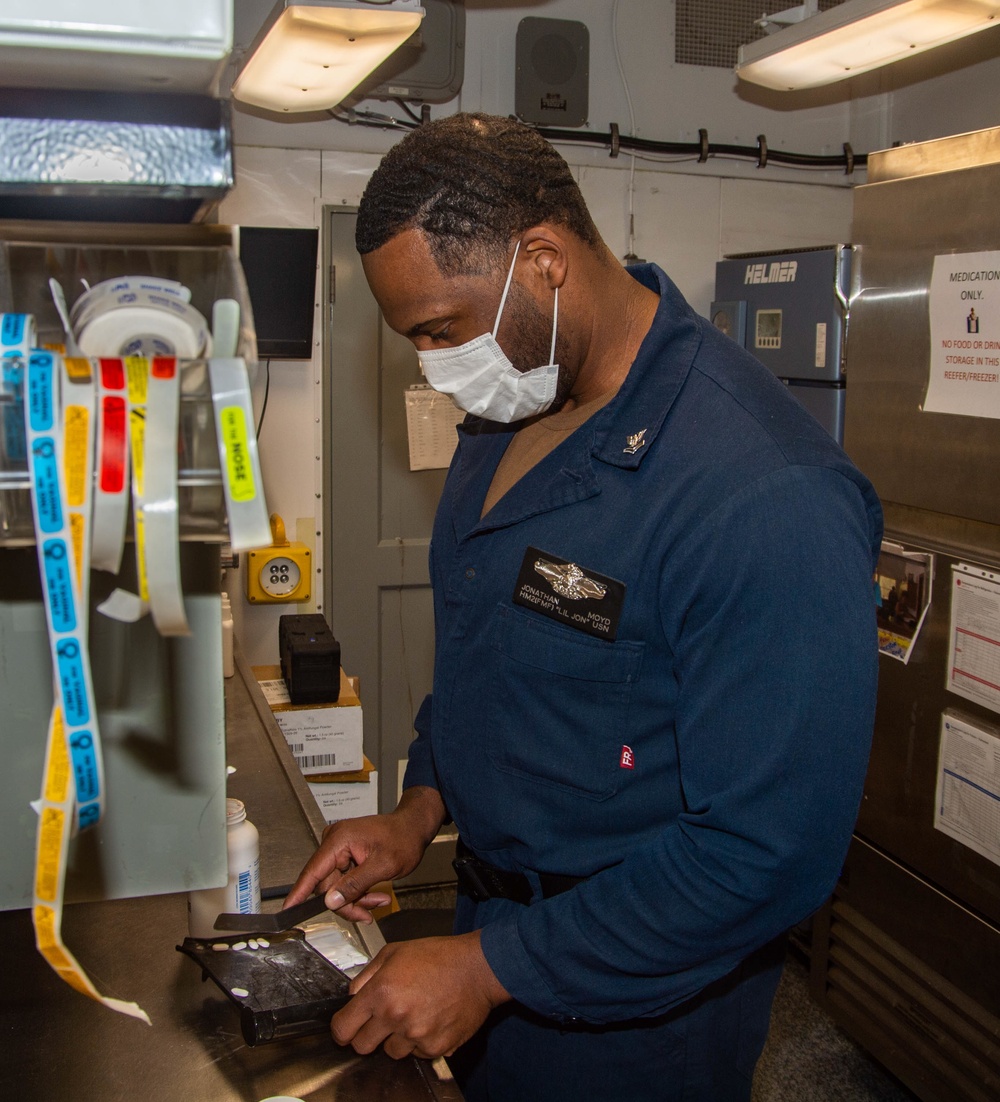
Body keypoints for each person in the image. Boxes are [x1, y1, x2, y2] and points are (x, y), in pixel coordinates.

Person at [286, 113, 883, 1101]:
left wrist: (488, 969)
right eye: (415, 339)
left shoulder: (761, 495)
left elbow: (765, 855)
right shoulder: (510, 406)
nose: (433, 362)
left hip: (637, 1005)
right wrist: (419, 806)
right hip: (490, 928)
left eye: (441, 326)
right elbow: (493, 656)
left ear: (545, 261)